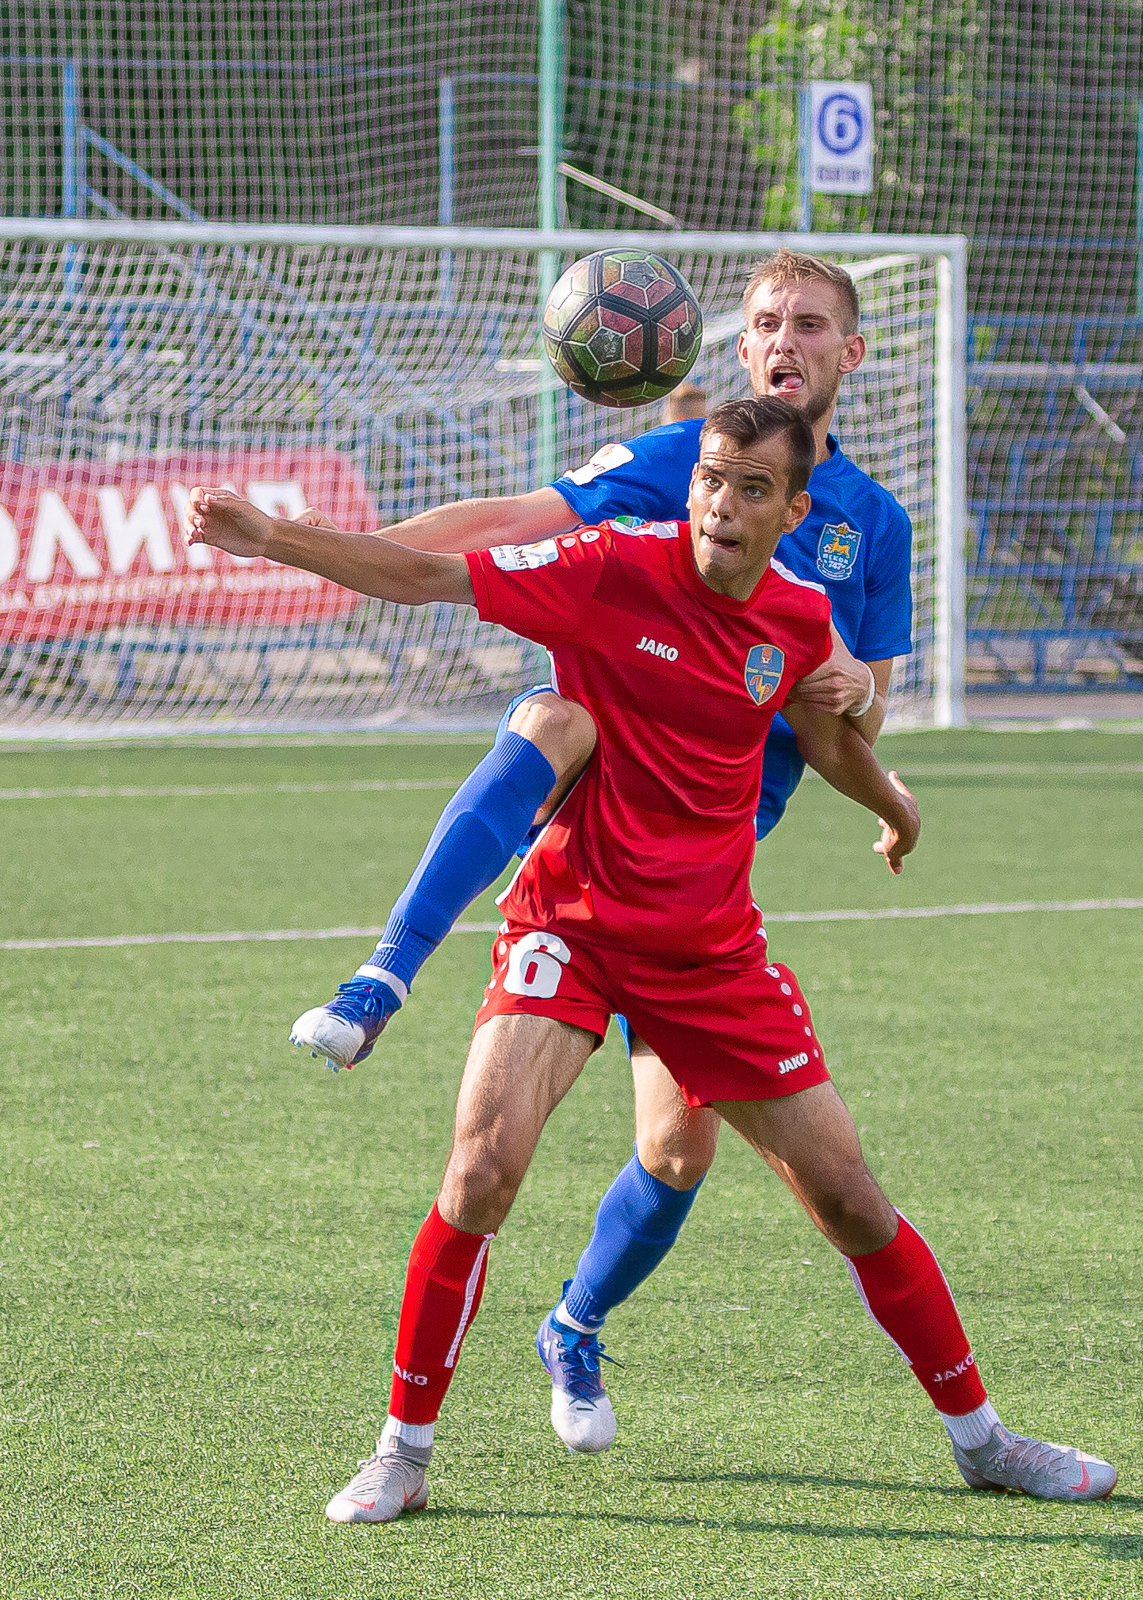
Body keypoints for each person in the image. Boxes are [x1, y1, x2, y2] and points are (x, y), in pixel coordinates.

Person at [189, 398, 1117, 1525]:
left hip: (710, 950)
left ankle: (983, 1441)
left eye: (751, 489)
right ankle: (403, 1450)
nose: (723, 506)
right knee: (481, 1174)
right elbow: (428, 576)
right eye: (711, 481)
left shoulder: (795, 616)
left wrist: (897, 803)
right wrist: (273, 537)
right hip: (567, 926)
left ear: (794, 508)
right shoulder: (604, 568)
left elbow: (831, 740)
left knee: (850, 1201)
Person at [277, 251, 917, 1448]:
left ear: (851, 352)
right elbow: (511, 525)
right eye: (767, 321)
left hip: (705, 875)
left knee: (675, 1154)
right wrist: (350, 545)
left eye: (812, 323)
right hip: (596, 819)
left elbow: (859, 709)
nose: (786, 339)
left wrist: (853, 705)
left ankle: (573, 1323)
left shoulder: (873, 526)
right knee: (555, 715)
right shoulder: (687, 462)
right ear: (734, 346)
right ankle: (384, 972)